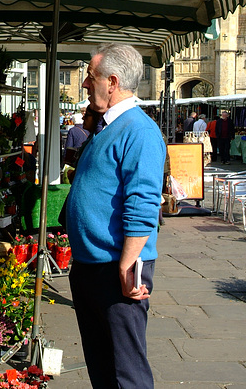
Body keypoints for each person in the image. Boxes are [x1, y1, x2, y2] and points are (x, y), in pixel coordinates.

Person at [66, 43, 165, 389]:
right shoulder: (107, 126)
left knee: (127, 372)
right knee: (103, 365)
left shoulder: (140, 131)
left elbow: (143, 204)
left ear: (112, 81)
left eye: (89, 77)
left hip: (116, 268)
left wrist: (127, 265)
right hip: (94, 266)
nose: (84, 85)